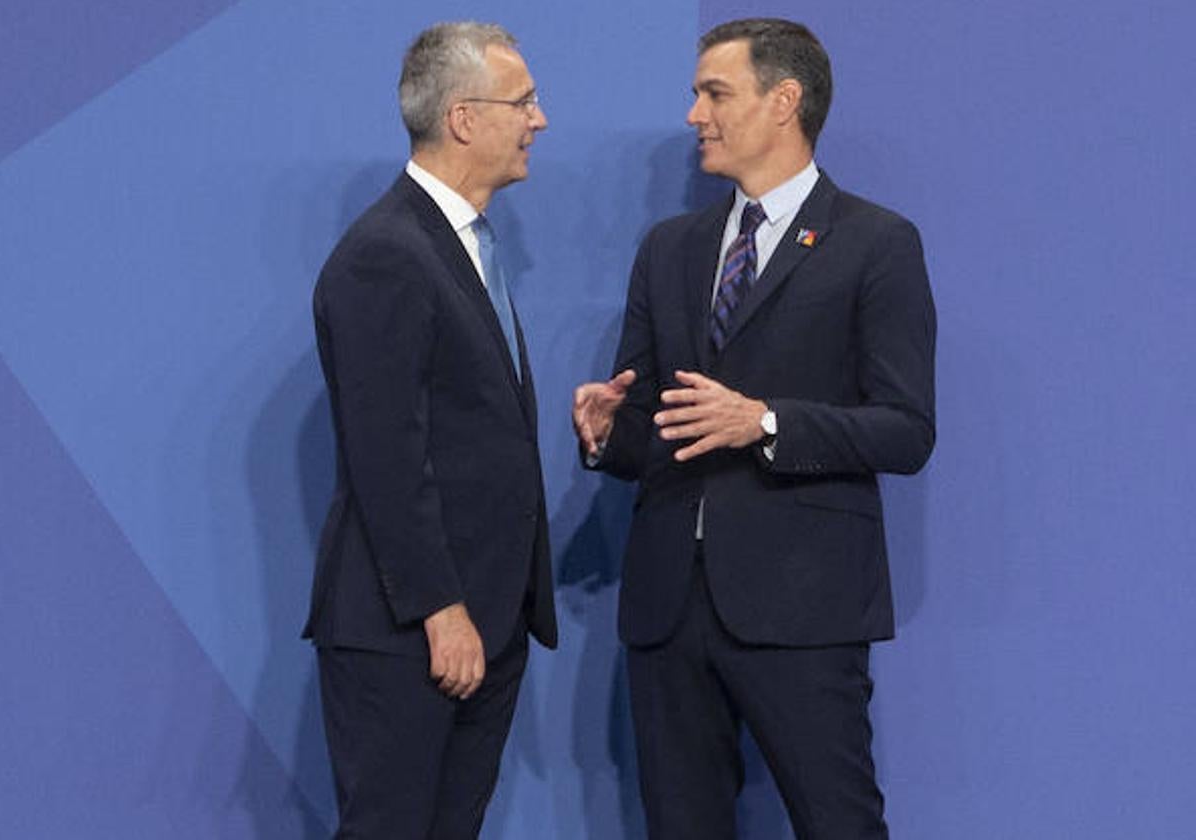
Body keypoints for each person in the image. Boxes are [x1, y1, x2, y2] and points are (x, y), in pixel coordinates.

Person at [573, 18, 935, 839]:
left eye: (714, 93)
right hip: (669, 609)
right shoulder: (668, 250)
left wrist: (765, 422)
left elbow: (907, 430)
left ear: (784, 101)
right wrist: (604, 435)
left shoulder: (876, 245)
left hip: (803, 605)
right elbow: (649, 430)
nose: (695, 113)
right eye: (697, 94)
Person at [304, 21, 556, 839]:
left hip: (481, 624)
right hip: (411, 633)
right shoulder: (387, 253)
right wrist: (441, 609)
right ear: (462, 118)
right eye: (523, 102)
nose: (539, 120)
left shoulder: (455, 245)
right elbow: (387, 452)